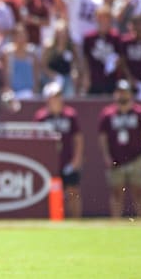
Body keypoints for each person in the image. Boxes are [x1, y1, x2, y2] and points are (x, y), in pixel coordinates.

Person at [98, 79, 141, 218]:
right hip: (116, 158)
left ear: (130, 94)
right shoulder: (107, 114)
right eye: (119, 92)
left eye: (125, 92)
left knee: (138, 192)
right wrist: (106, 156)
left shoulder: (139, 113)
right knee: (116, 192)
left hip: (136, 158)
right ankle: (116, 223)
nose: (122, 96)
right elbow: (103, 138)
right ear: (115, 94)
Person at [34, 82, 84, 218]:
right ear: (47, 99)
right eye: (54, 96)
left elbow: (78, 138)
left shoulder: (70, 115)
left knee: (73, 191)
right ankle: (56, 221)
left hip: (67, 161)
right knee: (53, 193)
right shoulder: (41, 117)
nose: (57, 99)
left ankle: (76, 222)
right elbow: (37, 142)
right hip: (49, 163)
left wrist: (77, 160)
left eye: (59, 96)